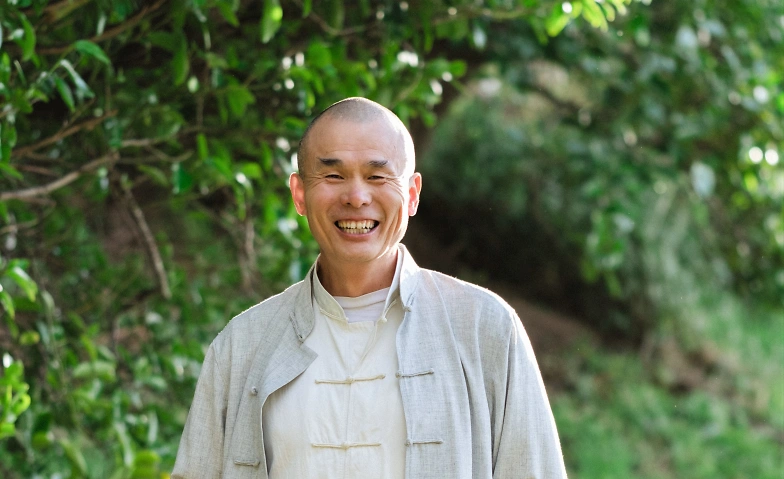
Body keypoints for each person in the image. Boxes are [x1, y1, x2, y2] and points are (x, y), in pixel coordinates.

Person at [172, 97, 567, 479]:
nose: (357, 197)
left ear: (411, 194)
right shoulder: (242, 346)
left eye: (377, 176)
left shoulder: (484, 329)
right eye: (333, 176)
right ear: (299, 194)